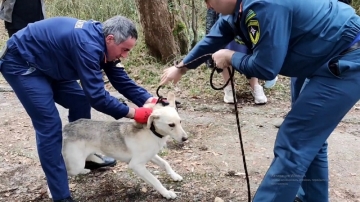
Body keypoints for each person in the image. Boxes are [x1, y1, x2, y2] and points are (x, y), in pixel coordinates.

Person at [160, 0, 360, 201]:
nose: (208, 7)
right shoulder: (237, 9)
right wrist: (182, 67)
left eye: (208, 0)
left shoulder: (266, 5)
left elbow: (265, 68)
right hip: (316, 56)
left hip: (345, 57)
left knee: (296, 140)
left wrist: (230, 56)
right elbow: (214, 37)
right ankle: (311, 197)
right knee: (309, 139)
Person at [0, 15, 156, 202]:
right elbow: (97, 96)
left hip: (51, 62)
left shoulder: (105, 44)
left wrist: (150, 100)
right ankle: (61, 195)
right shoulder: (88, 46)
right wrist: (134, 113)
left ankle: (87, 155)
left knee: (80, 101)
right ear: (110, 39)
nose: (125, 55)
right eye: (124, 50)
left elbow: (121, 80)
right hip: (23, 63)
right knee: (49, 125)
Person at [205, 8, 276, 104]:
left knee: (250, 51)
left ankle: (255, 86)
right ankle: (229, 87)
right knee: (224, 49)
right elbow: (212, 14)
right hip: (225, 24)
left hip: (245, 21)